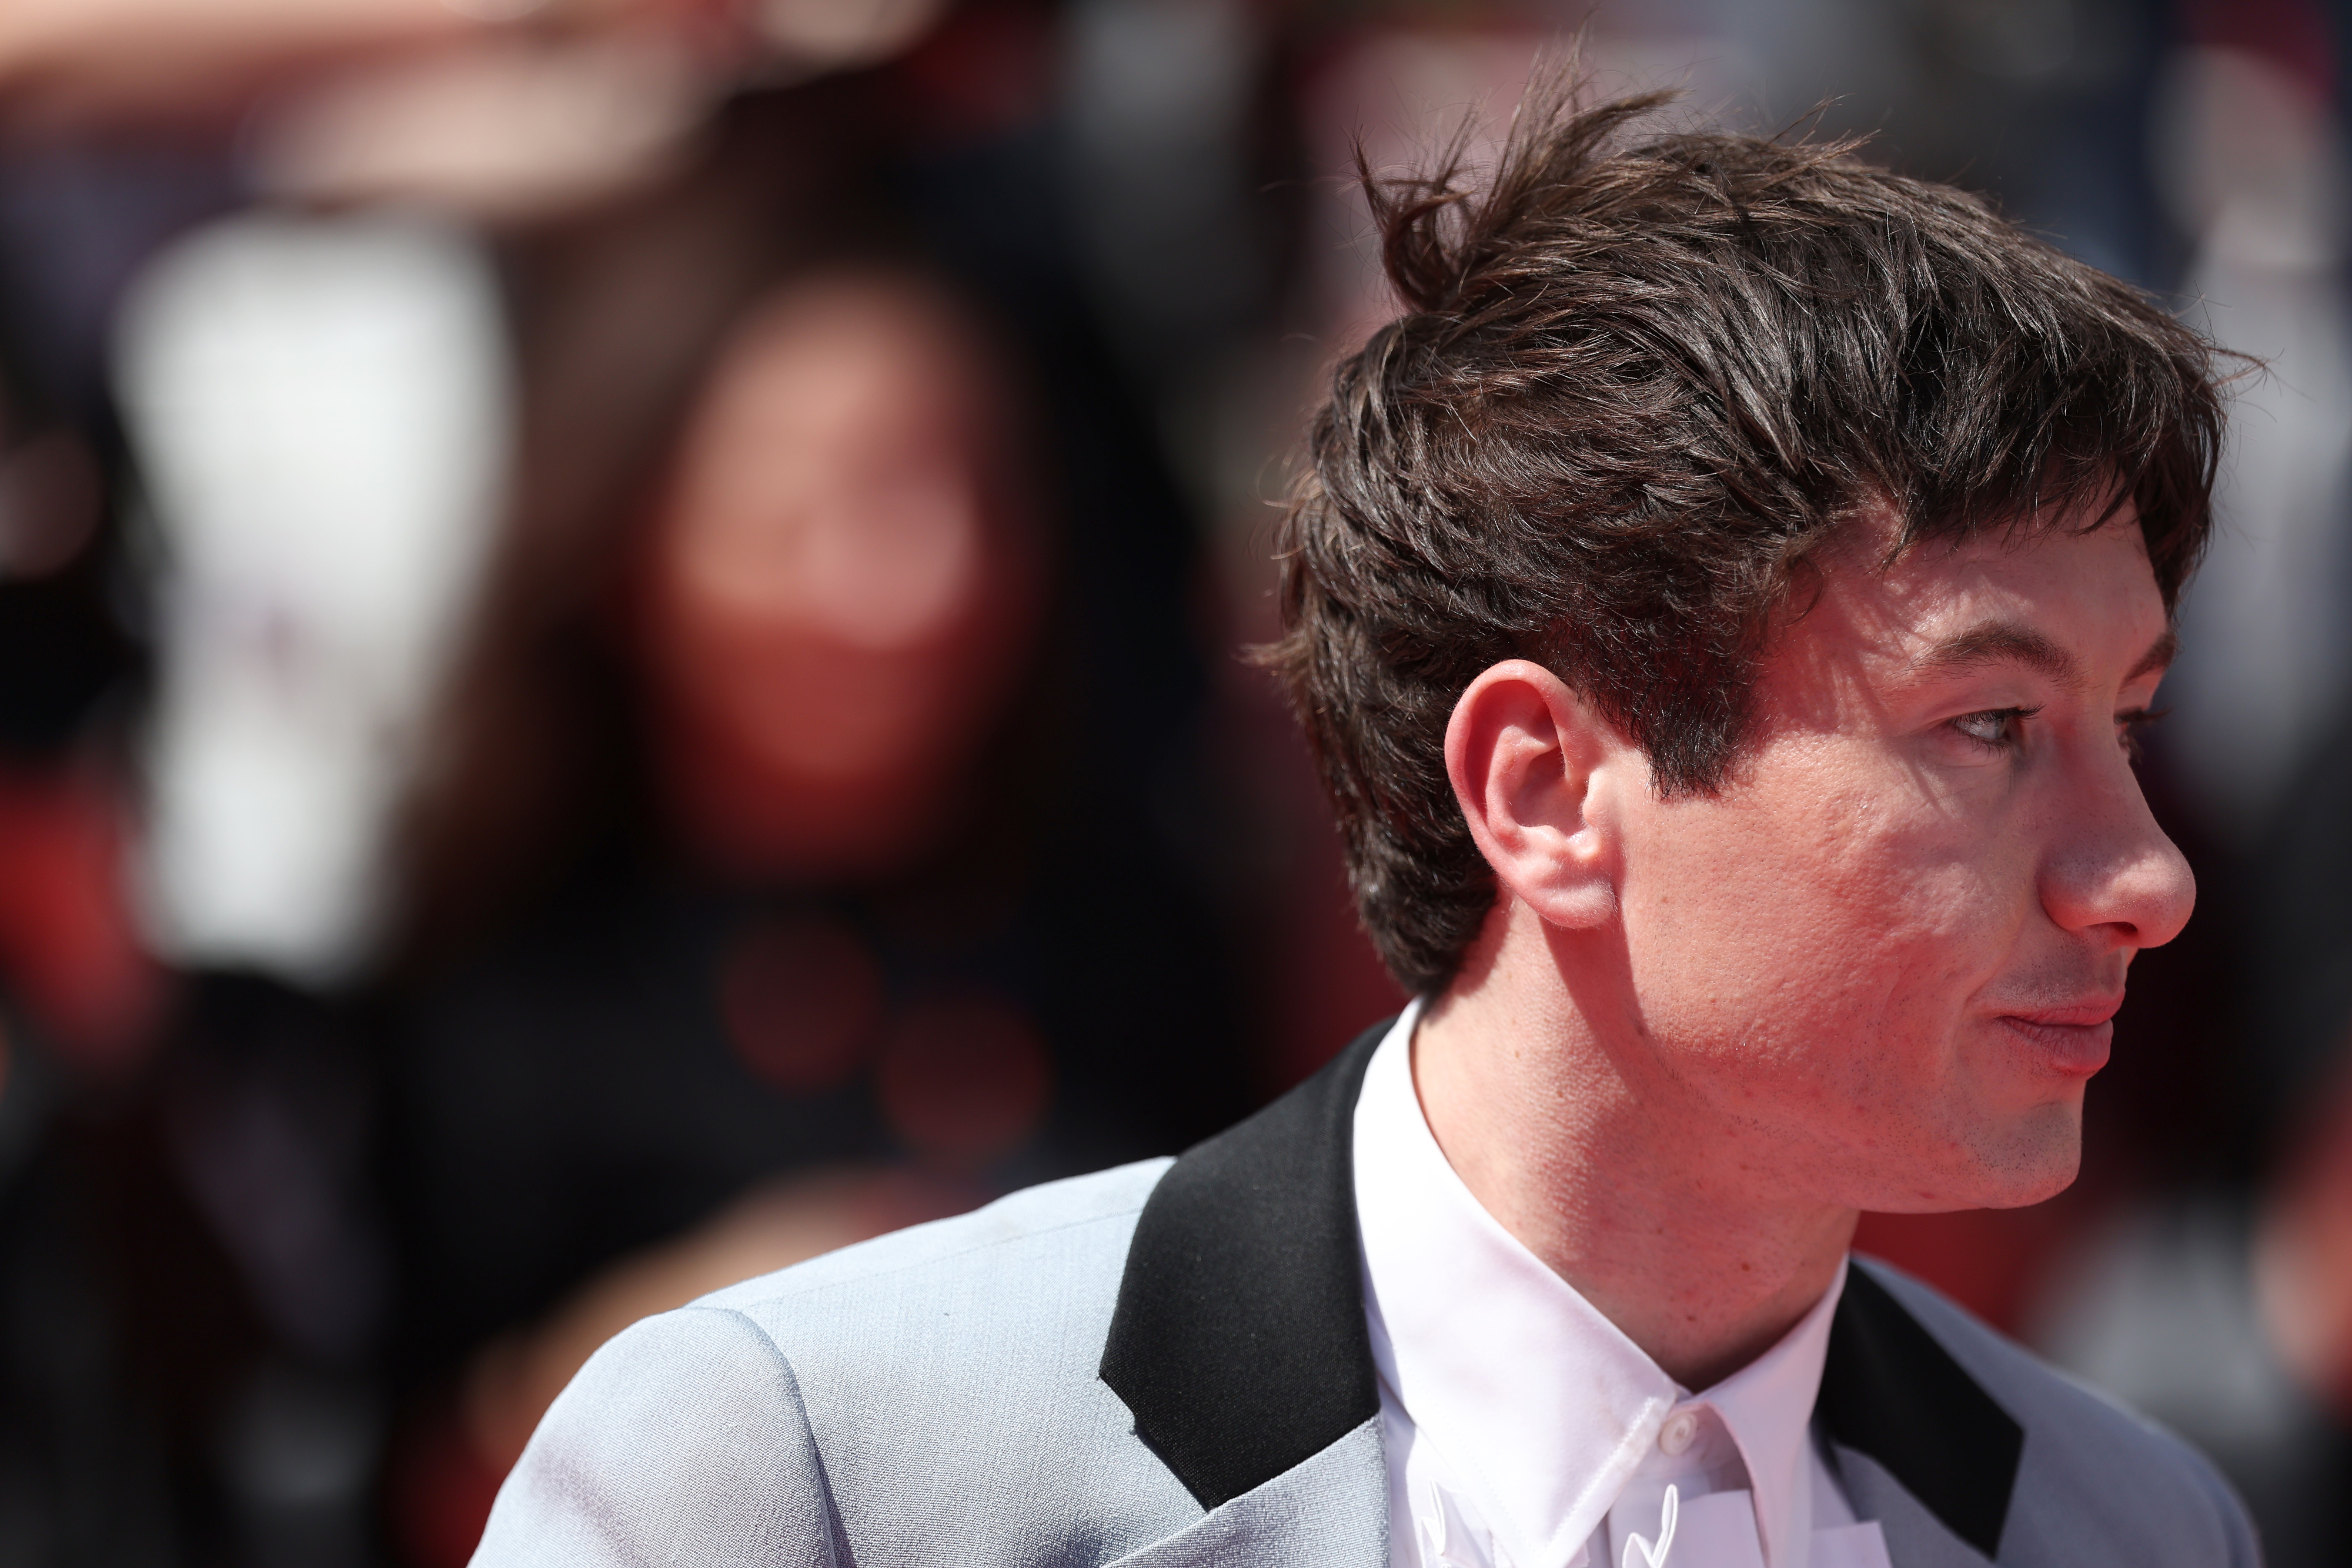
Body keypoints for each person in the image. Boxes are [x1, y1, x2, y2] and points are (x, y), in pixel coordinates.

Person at [467, 81, 2257, 1568]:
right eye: (1993, 724)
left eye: (2131, 720)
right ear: (1546, 790)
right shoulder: (805, 1473)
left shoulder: (2140, 1525)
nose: (2145, 874)